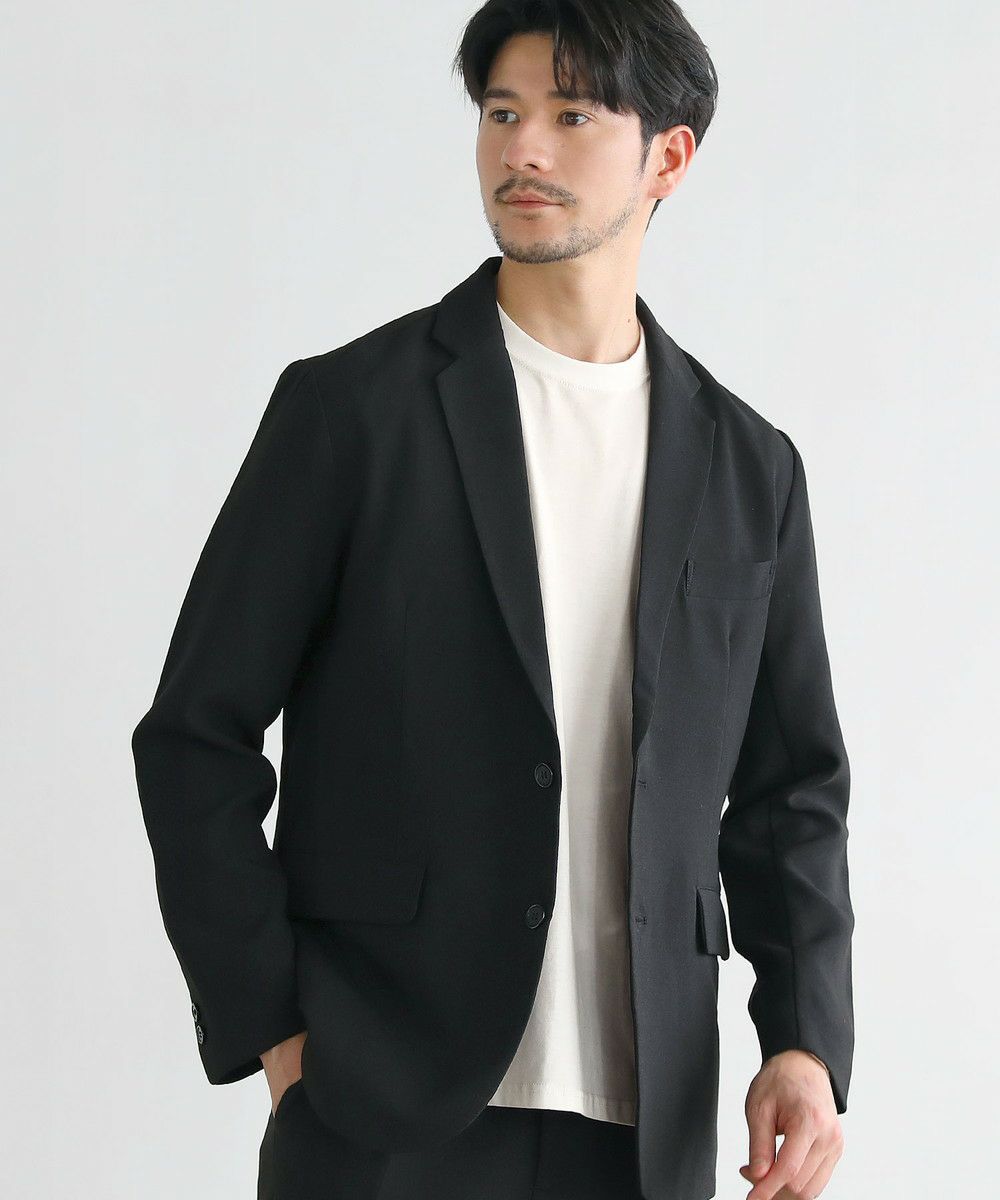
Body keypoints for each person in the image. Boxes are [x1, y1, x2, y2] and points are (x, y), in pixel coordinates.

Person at [132, 3, 854, 1198]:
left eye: (572, 116)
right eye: (502, 112)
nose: (524, 148)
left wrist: (804, 1040)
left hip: (645, 1125)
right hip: (382, 1108)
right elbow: (194, 736)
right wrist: (275, 1029)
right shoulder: (352, 414)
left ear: (668, 157)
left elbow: (791, 793)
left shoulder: (748, 468)